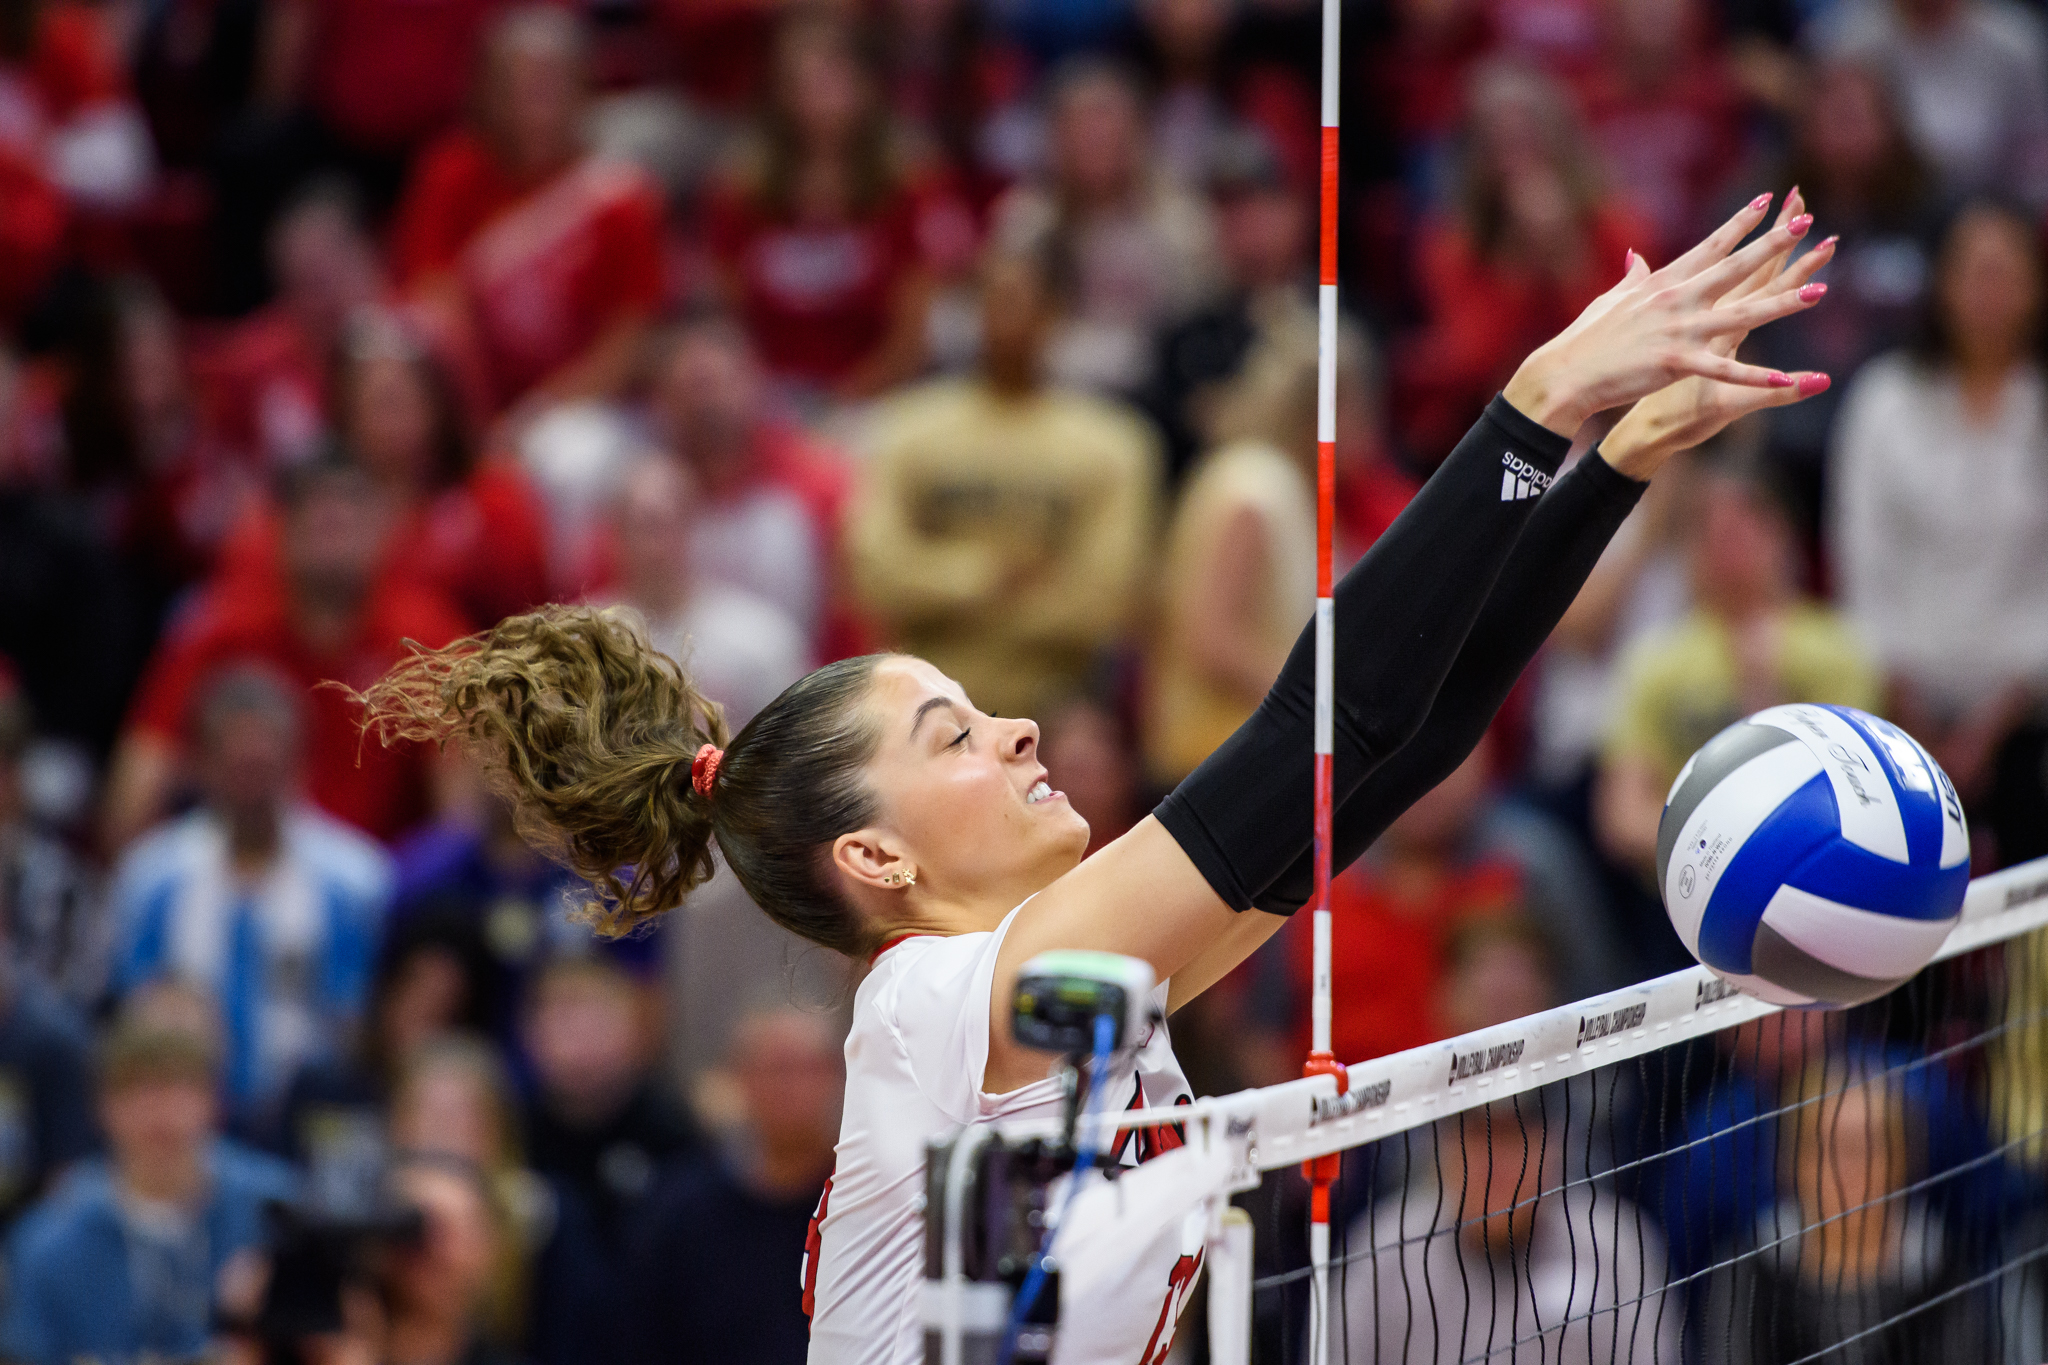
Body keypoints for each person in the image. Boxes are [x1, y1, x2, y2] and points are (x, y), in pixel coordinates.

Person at [349, 194, 1835, 1363]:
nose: (1017, 734)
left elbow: (1380, 759)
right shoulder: (939, 1005)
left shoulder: (1058, 1005)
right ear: (876, 861)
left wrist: (1610, 466)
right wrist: (1535, 398)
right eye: (954, 734)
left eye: (987, 710)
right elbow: (1310, 731)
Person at [850, 245, 1164, 722]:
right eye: (993, 300)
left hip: (1060, 708)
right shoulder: (905, 428)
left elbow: (1105, 599)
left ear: (1055, 315)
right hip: (927, 707)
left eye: (1023, 301)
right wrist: (984, 575)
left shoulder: (1113, 444)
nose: (1006, 318)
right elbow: (875, 573)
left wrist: (939, 590)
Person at [1829, 199, 2048, 869]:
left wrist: (2001, 713)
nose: (1990, 292)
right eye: (1974, 271)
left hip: (2029, 704)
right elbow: (1862, 561)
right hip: (1901, 704)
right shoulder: (1883, 400)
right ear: (1941, 284)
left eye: (2007, 271)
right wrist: (1908, 704)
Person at [103, 454, 469, 846]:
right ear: (280, 532)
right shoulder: (225, 630)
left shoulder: (427, 637)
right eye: (317, 519)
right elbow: (143, 769)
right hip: (244, 871)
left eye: (346, 519)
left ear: (383, 532)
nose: (332, 533)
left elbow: (464, 805)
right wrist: (139, 873)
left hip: (390, 878)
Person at [108, 666, 391, 1133]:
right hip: (186, 1117)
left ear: (298, 764)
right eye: (238, 767)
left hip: (313, 1118)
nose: (252, 787)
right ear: (202, 765)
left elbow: (359, 1024)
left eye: (264, 766)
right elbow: (133, 1011)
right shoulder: (151, 877)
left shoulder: (356, 881)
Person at [1596, 443, 1879, 875]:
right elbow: (1622, 814)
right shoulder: (1656, 661)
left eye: (1743, 525)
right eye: (1709, 529)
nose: (1727, 544)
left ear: (1780, 533)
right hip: (1688, 880)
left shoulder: (1836, 649)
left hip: (1815, 866)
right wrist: (1722, 848)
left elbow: (1860, 792)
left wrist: (1764, 688)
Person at [389, 5, 667, 419]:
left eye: (549, 80)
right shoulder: (449, 176)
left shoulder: (619, 194)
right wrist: (476, 417)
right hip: (467, 405)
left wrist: (540, 415)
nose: (533, 97)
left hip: (584, 410)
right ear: (485, 90)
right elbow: (436, 307)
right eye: (516, 80)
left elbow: (629, 340)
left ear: (583, 88)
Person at [0, 1019, 297, 1365]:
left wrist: (273, 1317)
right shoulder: (47, 1243)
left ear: (214, 1102)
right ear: (102, 1107)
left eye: (177, 1088)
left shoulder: (280, 1215)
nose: (160, 1115)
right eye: (139, 1091)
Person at [700, 8, 962, 400]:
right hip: (767, 395)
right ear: (780, 93)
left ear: (865, 88)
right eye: (803, 83)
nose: (818, 96)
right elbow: (728, 319)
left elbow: (910, 335)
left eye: (831, 80)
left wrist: (850, 398)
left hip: (874, 397)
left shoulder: (907, 187)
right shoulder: (741, 191)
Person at [1394, 61, 1652, 459]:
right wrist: (1517, 264)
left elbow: (1625, 346)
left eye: (1528, 141)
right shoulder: (1452, 243)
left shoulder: (1617, 228)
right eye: (1498, 145)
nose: (1516, 162)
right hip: (1485, 431)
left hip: (1607, 421)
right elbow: (1474, 360)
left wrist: (1566, 254)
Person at [1342, 1098, 1678, 1364]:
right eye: (1478, 1136)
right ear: (1444, 1151)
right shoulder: (1384, 1253)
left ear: (1553, 1147)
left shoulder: (1613, 1245)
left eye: (1512, 1138)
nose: (1495, 1163)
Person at [1701, 1064, 1989, 1362]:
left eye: (1866, 1146)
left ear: (1903, 1160)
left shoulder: (1945, 1272)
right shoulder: (1745, 1273)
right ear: (1792, 1162)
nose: (1846, 1170)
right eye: (1827, 1148)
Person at [989, 58, 1224, 394]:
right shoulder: (1025, 220)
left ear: (1139, 137)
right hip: (1045, 391)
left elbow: (1199, 324)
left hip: (1151, 393)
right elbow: (1001, 320)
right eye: (1081, 130)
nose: (1094, 141)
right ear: (1056, 140)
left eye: (1108, 128)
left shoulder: (1182, 224)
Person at [625, 1007, 841, 1365]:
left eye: (808, 1068)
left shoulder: (862, 1205)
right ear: (739, 1077)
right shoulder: (676, 1213)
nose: (790, 1087)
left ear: (836, 1076)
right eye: (776, 1069)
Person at [643, 316, 856, 657]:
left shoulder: (818, 484)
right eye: (689, 389)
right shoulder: (642, 500)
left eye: (715, 383)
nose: (705, 404)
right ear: (659, 402)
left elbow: (852, 611)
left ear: (754, 381)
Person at [599, 456, 809, 729]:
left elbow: (795, 738)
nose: (655, 546)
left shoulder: (760, 642)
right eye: (642, 527)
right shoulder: (589, 640)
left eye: (664, 524)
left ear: (693, 526)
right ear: (616, 534)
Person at [521, 954, 699, 1250]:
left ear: (633, 1029)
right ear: (530, 1034)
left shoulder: (675, 1134)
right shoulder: (513, 1131)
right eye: (563, 1017)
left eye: (595, 1016)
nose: (578, 1036)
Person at [1814, 0, 2048, 208]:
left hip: (1998, 213)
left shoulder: (2014, 44)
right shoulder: (1848, 41)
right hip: (1885, 215)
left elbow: (2036, 162)